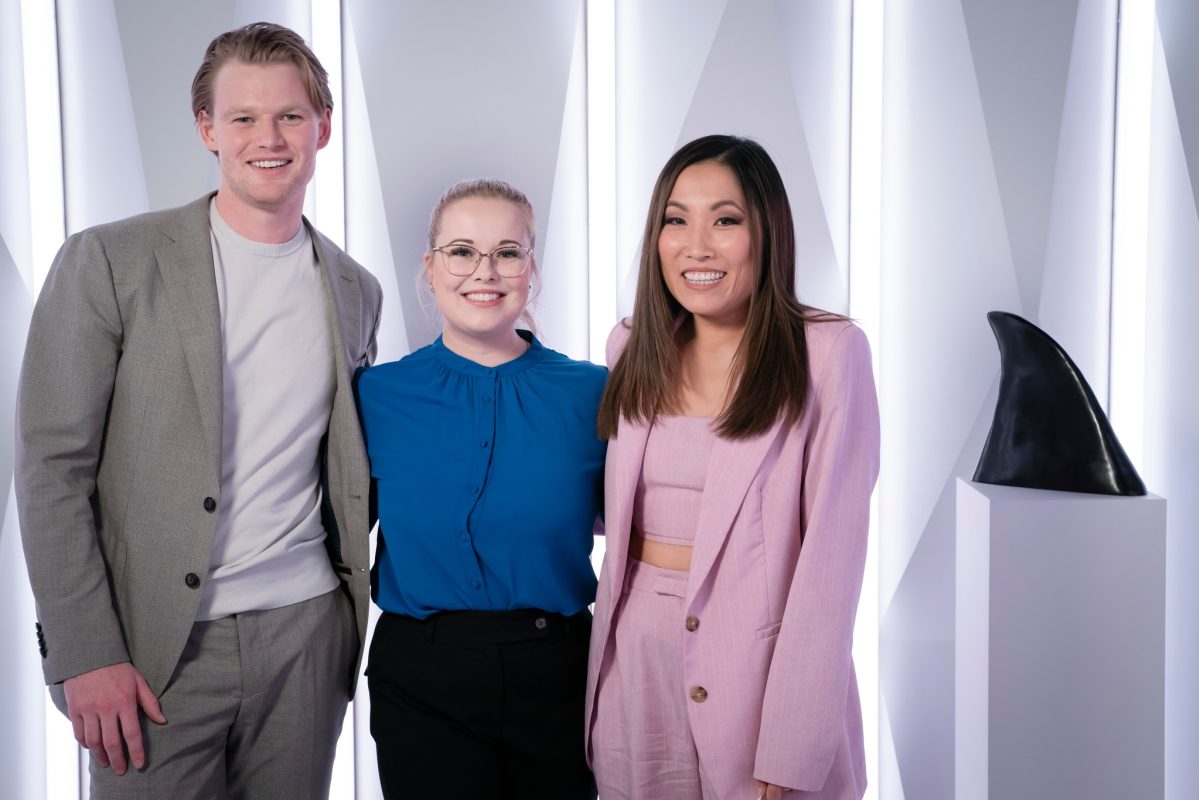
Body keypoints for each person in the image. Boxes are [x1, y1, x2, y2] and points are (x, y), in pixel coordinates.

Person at [15, 22, 382, 798]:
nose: (269, 137)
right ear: (207, 129)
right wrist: (84, 651)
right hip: (154, 650)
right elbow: (50, 469)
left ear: (324, 126)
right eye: (243, 117)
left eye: (290, 115)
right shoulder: (111, 261)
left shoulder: (354, 289)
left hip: (305, 636)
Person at [586, 135, 880, 800]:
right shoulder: (629, 346)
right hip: (635, 664)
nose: (696, 246)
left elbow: (831, 570)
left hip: (759, 675)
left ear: (766, 233)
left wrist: (792, 751)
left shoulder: (829, 354)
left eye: (725, 220)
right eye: (675, 220)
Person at [355, 179, 604, 799]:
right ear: (431, 268)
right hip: (421, 677)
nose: (484, 271)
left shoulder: (594, 393)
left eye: (508, 252)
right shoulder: (376, 396)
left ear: (532, 269)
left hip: (559, 674)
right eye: (462, 251)